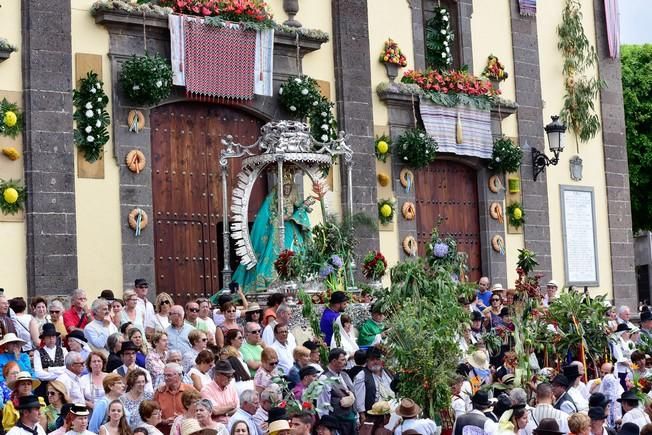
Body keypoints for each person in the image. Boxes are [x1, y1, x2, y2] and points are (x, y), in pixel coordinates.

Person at [232, 168, 314, 293]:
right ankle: (268, 279)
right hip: (278, 229)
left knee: (296, 250)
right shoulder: (274, 199)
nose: (287, 189)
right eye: (284, 187)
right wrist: (278, 218)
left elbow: (300, 211)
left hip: (292, 228)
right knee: (274, 253)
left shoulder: (293, 199)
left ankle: (300, 277)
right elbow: (269, 214)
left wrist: (305, 207)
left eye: (288, 187)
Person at [316, 348, 356, 434]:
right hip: (337, 423)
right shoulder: (324, 378)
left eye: (345, 360)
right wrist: (327, 427)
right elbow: (323, 405)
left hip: (351, 421)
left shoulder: (345, 375)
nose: (345, 363)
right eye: (342, 360)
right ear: (334, 361)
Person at [353, 347, 395, 422]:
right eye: (372, 359)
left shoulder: (388, 372)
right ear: (367, 361)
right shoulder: (361, 376)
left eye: (377, 359)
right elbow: (359, 399)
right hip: (374, 416)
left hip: (393, 413)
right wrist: (362, 416)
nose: (375, 362)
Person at [154, 363, 197, 433]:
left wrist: (182, 418)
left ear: (179, 375)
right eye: (164, 375)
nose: (165, 378)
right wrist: (164, 421)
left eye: (169, 375)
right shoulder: (159, 392)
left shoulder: (190, 390)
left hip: (186, 431)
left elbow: (200, 410)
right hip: (165, 431)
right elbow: (152, 415)